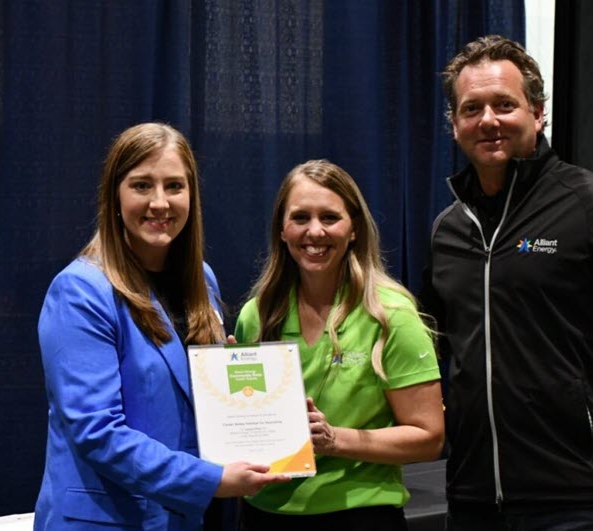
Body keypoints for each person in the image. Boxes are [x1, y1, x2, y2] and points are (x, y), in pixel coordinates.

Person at [421, 36, 593, 531]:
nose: (489, 120)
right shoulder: (448, 229)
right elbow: (424, 349)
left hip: (579, 499)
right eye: (471, 108)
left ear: (538, 113)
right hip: (472, 498)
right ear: (454, 125)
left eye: (505, 104)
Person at [34, 123, 288, 531]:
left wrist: (270, 413)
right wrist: (212, 480)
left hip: (182, 519)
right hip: (107, 522)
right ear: (114, 196)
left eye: (174, 186)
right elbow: (98, 432)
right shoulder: (80, 291)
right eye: (141, 185)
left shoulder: (201, 280)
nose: (159, 202)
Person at [233, 160, 444, 531]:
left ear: (354, 230)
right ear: (282, 230)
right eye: (300, 218)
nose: (315, 231)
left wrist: (335, 440)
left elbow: (428, 438)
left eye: (330, 217)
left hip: (360, 515)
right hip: (265, 515)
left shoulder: (391, 316)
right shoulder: (257, 315)